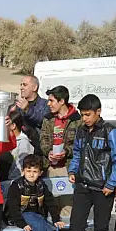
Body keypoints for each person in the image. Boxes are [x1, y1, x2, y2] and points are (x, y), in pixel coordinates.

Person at [60, 94, 116, 231]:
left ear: (98, 112)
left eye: (88, 114)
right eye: (82, 114)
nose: (85, 118)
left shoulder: (111, 132)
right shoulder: (81, 130)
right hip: (82, 185)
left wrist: (111, 183)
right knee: (75, 227)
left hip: (102, 188)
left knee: (101, 228)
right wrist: (73, 170)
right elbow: (77, 153)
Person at [5, 155, 64, 231]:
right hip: (20, 215)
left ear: (40, 173)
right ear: (23, 171)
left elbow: (50, 202)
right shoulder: (16, 186)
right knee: (38, 226)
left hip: (37, 214)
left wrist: (56, 219)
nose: (31, 174)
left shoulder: (41, 185)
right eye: (28, 171)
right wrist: (22, 224)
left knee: (48, 230)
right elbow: (12, 208)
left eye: (35, 171)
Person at [39, 86, 81, 218]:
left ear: (62, 101)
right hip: (50, 166)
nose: (48, 104)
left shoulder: (77, 120)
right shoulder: (48, 119)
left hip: (67, 167)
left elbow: (81, 144)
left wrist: (66, 151)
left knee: (67, 204)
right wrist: (49, 152)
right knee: (52, 203)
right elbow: (43, 140)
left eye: (51, 100)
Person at [6, 110, 35, 182]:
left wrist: (10, 178)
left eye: (6, 123)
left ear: (13, 126)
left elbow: (21, 165)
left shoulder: (24, 143)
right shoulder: (7, 141)